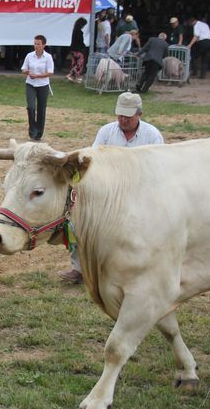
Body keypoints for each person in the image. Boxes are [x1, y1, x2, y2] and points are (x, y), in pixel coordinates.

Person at [60, 92, 163, 284]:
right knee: (78, 222)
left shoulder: (152, 135)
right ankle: (79, 269)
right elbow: (93, 160)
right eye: (120, 115)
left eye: (128, 116)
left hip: (140, 192)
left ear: (139, 114)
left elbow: (157, 169)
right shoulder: (106, 131)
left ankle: (138, 269)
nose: (123, 120)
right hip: (108, 191)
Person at [21, 35, 54, 142]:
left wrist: (38, 76)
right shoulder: (29, 55)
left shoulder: (48, 57)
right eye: (35, 43)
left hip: (43, 85)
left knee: (41, 109)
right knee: (31, 107)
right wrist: (28, 72)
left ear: (43, 45)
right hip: (30, 84)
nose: (36, 46)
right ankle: (32, 130)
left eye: (38, 44)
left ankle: (39, 133)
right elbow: (23, 69)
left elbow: (50, 72)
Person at [66, 17, 87, 83]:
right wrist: (84, 46)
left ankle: (72, 76)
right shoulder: (79, 32)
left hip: (73, 50)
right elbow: (80, 41)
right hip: (78, 50)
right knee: (79, 64)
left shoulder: (74, 30)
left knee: (74, 63)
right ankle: (74, 76)